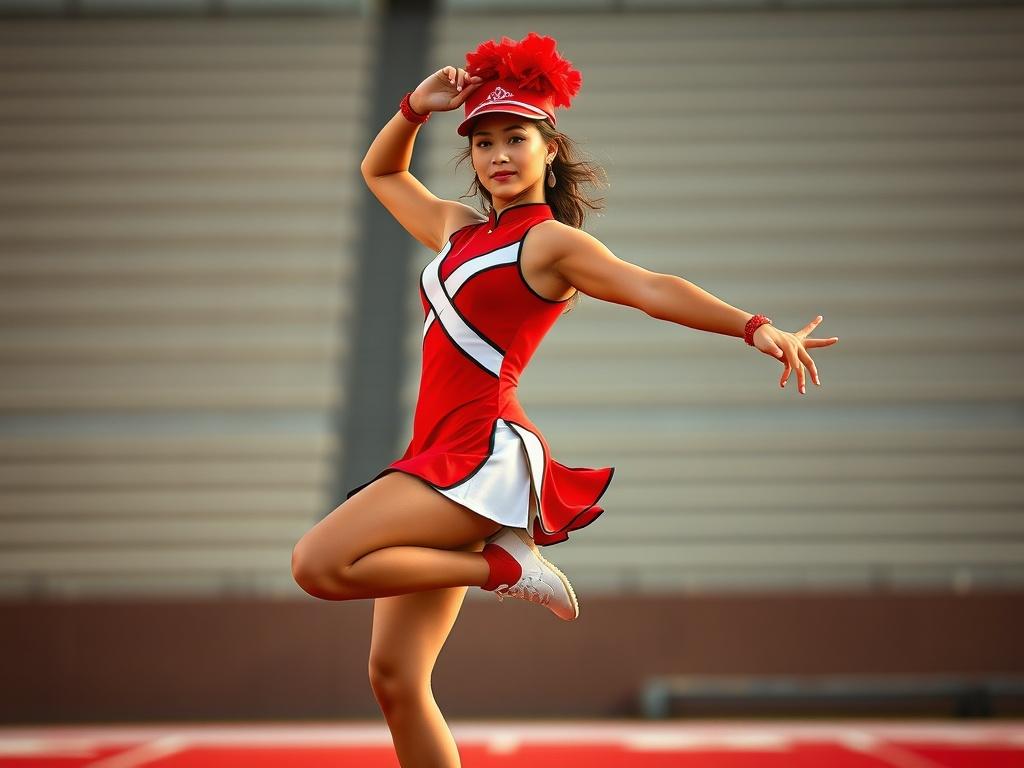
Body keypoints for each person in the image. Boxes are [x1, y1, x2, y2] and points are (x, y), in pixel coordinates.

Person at [291, 31, 837, 767]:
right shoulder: (457, 231)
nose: (498, 156)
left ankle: (503, 570)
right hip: (436, 452)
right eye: (483, 142)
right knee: (396, 679)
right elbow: (381, 172)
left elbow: (650, 288)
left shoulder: (550, 245)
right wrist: (415, 106)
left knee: (317, 563)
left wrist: (753, 326)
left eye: (515, 138)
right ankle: (504, 567)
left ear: (549, 148)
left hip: (478, 453)